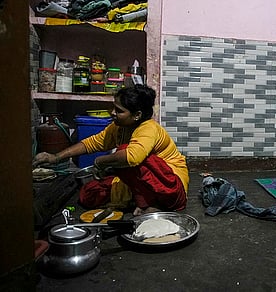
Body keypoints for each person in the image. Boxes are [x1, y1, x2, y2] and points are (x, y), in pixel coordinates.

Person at [33, 85, 189, 215]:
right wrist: (55, 157)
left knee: (125, 151)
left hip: (172, 189)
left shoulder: (149, 128)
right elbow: (92, 143)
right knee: (89, 195)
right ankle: (139, 199)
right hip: (144, 185)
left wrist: (100, 162)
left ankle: (149, 205)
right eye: (114, 108)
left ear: (137, 115)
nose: (113, 113)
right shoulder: (118, 127)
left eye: (119, 110)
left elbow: (132, 158)